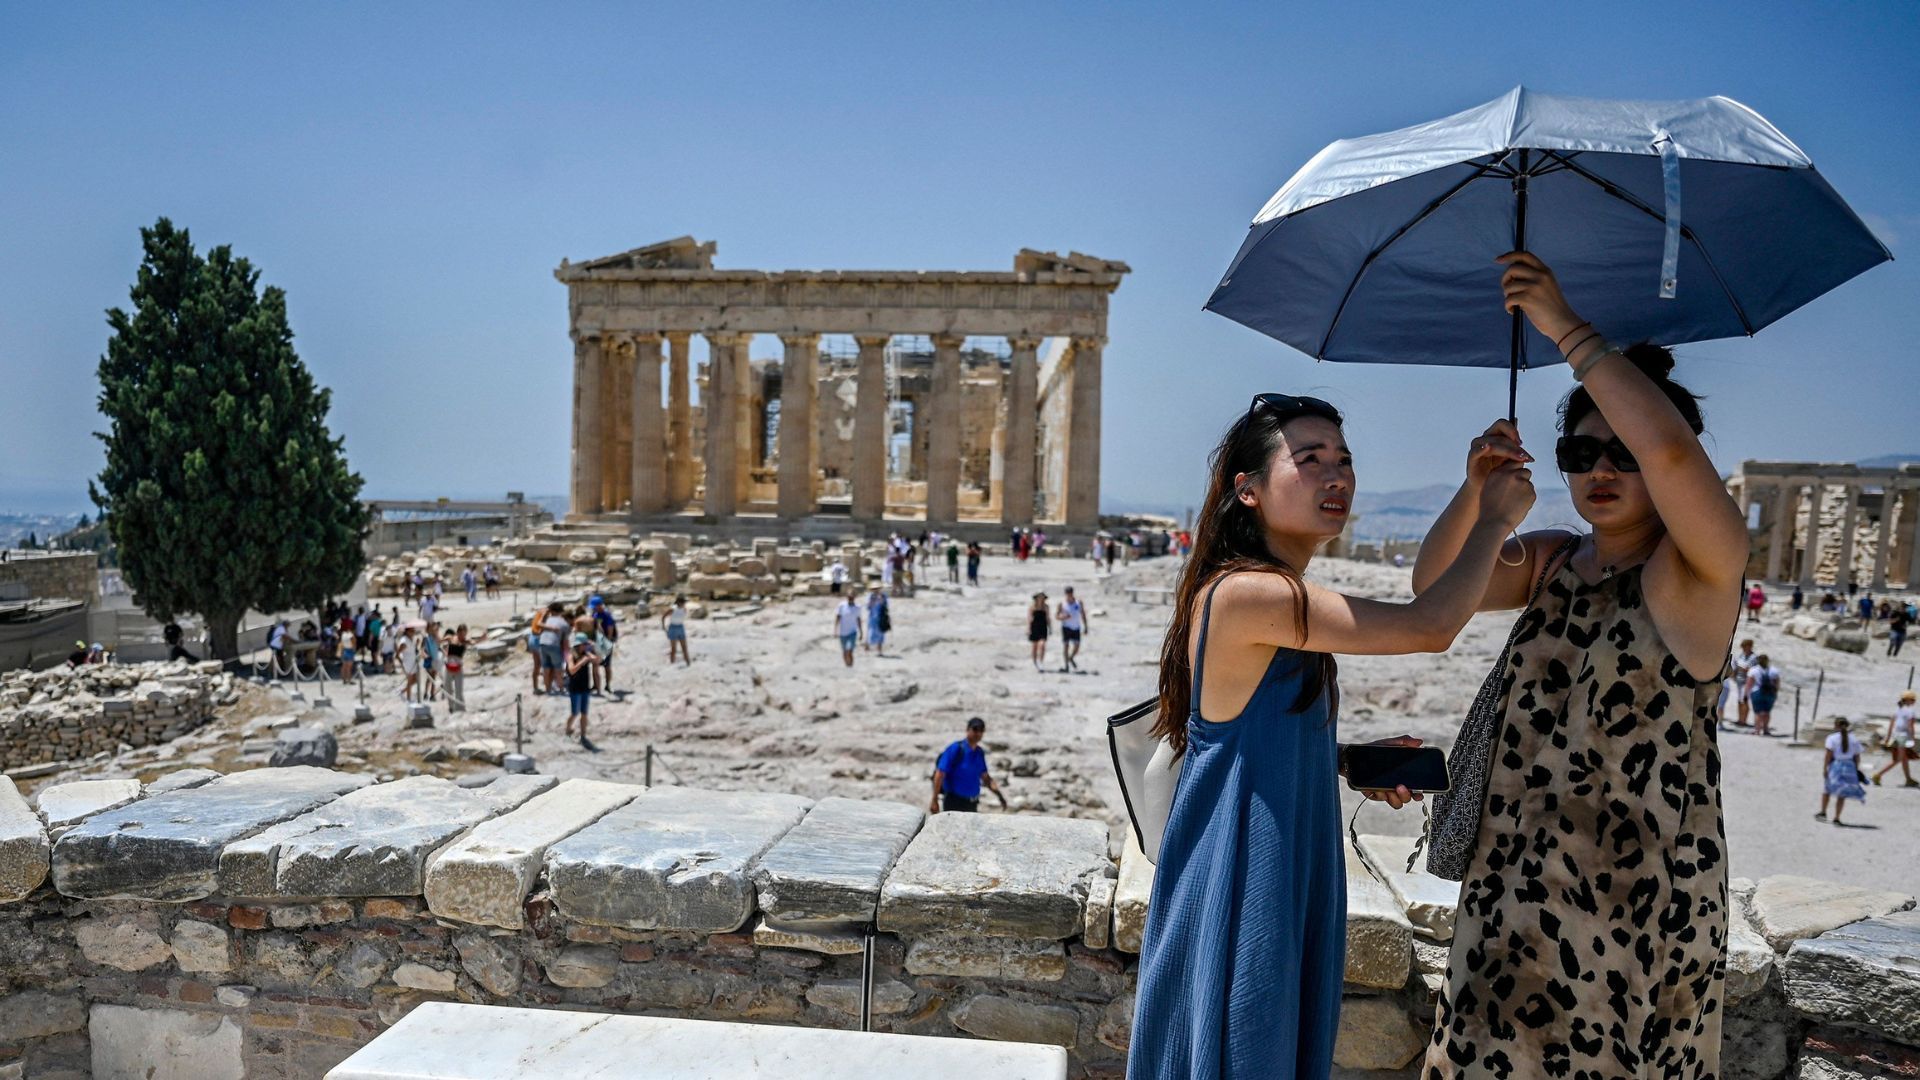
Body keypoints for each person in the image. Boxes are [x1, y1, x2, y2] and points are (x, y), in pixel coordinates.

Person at [1412, 253, 1742, 1078]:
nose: (1600, 469)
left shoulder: (1693, 575)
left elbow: (1668, 456)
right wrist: (1480, 499)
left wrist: (1565, 327)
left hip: (1629, 922)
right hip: (1508, 899)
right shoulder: (1558, 561)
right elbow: (1433, 591)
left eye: (1621, 451)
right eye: (1580, 450)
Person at [1130, 391, 1518, 1080]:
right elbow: (1430, 625)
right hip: (1244, 874)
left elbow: (1242, 733)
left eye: (1344, 460)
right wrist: (1492, 518)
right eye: (1309, 461)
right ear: (1246, 490)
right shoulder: (1250, 594)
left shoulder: (1268, 593)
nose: (1336, 476)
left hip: (1280, 861)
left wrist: (1337, 761)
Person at [929, 717, 1007, 813]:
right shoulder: (956, 749)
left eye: (981, 730)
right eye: (975, 729)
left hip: (972, 803)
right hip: (954, 803)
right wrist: (934, 800)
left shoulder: (979, 753)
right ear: (967, 730)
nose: (978, 733)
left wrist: (1000, 796)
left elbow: (986, 778)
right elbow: (940, 774)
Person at [1817, 718, 1868, 824]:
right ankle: (1837, 817)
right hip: (1849, 766)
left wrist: (1825, 768)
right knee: (1842, 794)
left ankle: (1823, 812)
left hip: (1836, 765)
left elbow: (1828, 755)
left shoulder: (1831, 738)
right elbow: (1857, 757)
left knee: (1827, 789)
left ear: (1836, 726)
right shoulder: (1854, 739)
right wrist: (1855, 769)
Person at [1872, 690, 1917, 787]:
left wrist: (1888, 738)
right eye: (1913, 699)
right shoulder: (1910, 711)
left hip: (1896, 735)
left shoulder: (1897, 710)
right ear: (1908, 700)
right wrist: (1912, 738)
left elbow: (1891, 725)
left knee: (1904, 758)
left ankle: (1908, 779)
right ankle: (1878, 775)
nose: (1914, 701)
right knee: (1899, 759)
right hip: (1903, 736)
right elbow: (1910, 726)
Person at [564, 634, 596, 744]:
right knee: (575, 712)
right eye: (584, 644)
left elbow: (597, 660)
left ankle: (583, 735)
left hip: (585, 687)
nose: (586, 646)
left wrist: (594, 648)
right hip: (575, 688)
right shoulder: (571, 656)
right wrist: (582, 662)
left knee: (584, 713)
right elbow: (572, 670)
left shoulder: (586, 653)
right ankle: (568, 729)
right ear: (579, 645)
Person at [538, 602, 570, 694]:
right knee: (558, 669)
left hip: (542, 643)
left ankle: (548, 690)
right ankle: (561, 689)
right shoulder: (564, 624)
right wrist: (566, 655)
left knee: (546, 668)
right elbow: (564, 642)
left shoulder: (547, 620)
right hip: (554, 645)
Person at [1747, 653, 1781, 737]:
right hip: (1770, 693)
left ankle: (1757, 730)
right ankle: (1765, 729)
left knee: (1758, 712)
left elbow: (1749, 683)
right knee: (1767, 712)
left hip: (1757, 691)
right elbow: (1777, 683)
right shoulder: (1774, 670)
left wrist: (1746, 694)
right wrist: (1775, 692)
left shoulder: (1753, 670)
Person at [1056, 587, 1088, 673]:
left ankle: (1071, 657)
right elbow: (1057, 616)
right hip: (1066, 627)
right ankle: (1066, 666)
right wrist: (1064, 617)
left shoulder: (1078, 603)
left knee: (1077, 646)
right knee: (1066, 646)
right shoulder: (1062, 604)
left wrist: (1086, 626)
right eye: (1067, 593)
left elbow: (1083, 614)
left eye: (1070, 593)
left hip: (1076, 627)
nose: (1069, 595)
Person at [1729, 638, 1759, 728]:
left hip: (1747, 682)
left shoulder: (1754, 658)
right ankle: (1740, 719)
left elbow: (1753, 670)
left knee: (1744, 701)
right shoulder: (1741, 655)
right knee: (1739, 700)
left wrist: (1743, 668)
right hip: (1739, 681)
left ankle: (1744, 720)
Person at [661, 596, 692, 666]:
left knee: (684, 647)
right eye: (683, 602)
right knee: (674, 649)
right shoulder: (672, 609)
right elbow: (663, 616)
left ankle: (688, 663)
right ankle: (672, 664)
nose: (684, 603)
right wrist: (663, 627)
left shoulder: (684, 609)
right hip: (673, 628)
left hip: (681, 627)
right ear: (678, 602)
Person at [834, 594, 862, 667]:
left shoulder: (857, 607)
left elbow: (858, 619)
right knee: (844, 651)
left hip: (852, 632)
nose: (850, 599)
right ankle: (847, 665)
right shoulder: (841, 606)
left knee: (849, 651)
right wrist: (835, 630)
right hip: (843, 633)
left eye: (852, 597)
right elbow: (838, 617)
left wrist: (861, 632)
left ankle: (851, 665)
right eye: (849, 597)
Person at [444, 626, 468, 712]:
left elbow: (474, 641)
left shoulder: (465, 641)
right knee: (447, 688)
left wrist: (483, 638)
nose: (462, 635)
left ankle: (460, 708)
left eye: (464, 633)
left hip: (458, 668)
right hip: (449, 666)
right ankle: (451, 706)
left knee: (459, 689)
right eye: (461, 633)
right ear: (457, 632)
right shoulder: (451, 638)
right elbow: (441, 640)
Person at [1027, 592, 1050, 671]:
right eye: (1039, 597)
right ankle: (1034, 662)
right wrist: (1028, 629)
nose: (1041, 598)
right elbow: (1029, 618)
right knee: (1034, 646)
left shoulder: (1046, 607)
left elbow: (1048, 618)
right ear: (1036, 598)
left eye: (1042, 597)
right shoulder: (1032, 607)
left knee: (1042, 644)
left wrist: (1050, 628)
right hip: (1034, 627)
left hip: (1043, 627)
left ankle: (1041, 662)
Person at [866, 585, 890, 655]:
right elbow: (868, 607)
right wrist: (872, 600)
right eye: (874, 589)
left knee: (880, 633)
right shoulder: (870, 596)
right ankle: (868, 647)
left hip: (881, 617)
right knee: (871, 632)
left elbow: (886, 606)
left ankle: (879, 650)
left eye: (877, 589)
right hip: (872, 617)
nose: (875, 590)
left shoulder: (883, 596)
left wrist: (880, 599)